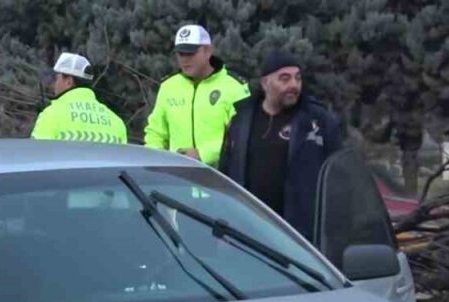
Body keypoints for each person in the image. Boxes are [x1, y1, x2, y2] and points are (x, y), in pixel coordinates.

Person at [218, 50, 345, 242]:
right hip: (250, 232)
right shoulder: (241, 121)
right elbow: (226, 173)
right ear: (265, 83)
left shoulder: (319, 121)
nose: (293, 85)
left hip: (301, 237)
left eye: (297, 78)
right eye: (284, 79)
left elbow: (339, 176)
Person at [143, 24, 249, 169]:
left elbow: (242, 135)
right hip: (178, 181)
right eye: (181, 54)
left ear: (208, 51)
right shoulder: (168, 86)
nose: (185, 59)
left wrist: (202, 154)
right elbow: (155, 132)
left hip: (221, 180)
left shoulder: (234, 86)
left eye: (191, 53)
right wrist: (155, 162)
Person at [31, 53, 127, 143]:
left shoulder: (51, 115)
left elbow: (36, 155)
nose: (55, 84)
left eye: (57, 78)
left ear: (68, 81)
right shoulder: (116, 122)